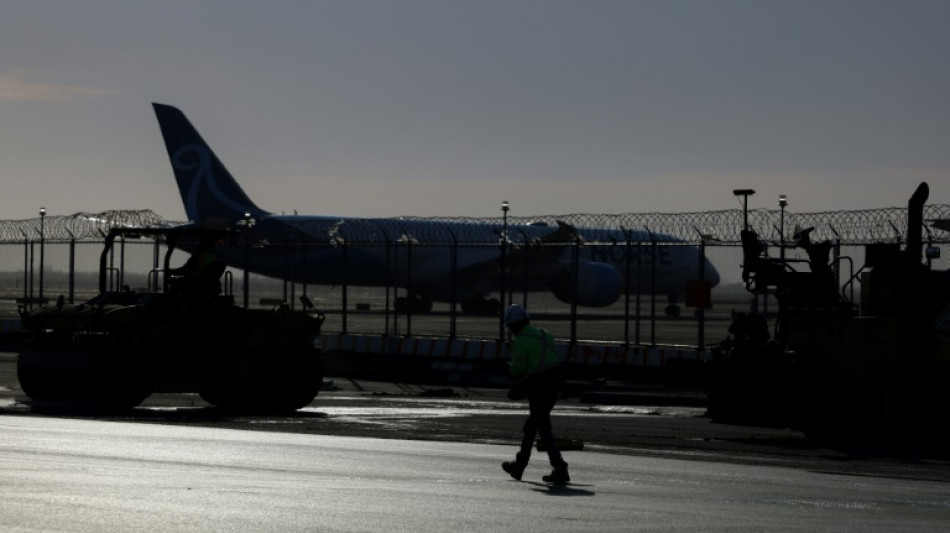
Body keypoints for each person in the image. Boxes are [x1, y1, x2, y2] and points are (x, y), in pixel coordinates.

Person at [501, 304, 570, 484]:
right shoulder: (544, 334)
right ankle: (519, 465)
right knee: (532, 426)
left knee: (542, 429)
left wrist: (508, 363)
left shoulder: (521, 342)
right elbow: (542, 358)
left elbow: (516, 372)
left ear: (513, 326)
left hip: (539, 387)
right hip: (555, 383)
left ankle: (560, 467)